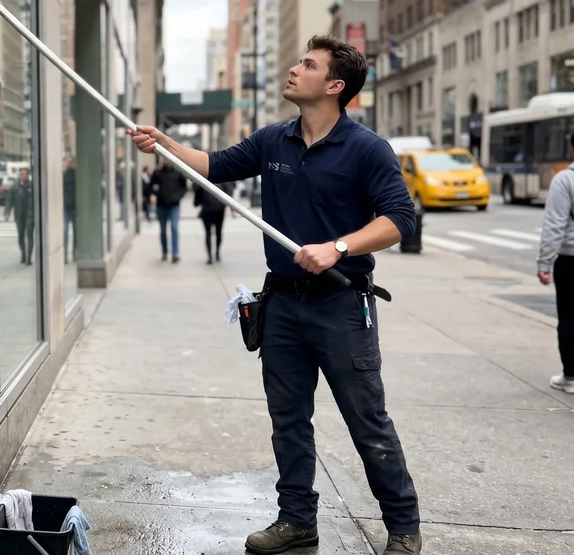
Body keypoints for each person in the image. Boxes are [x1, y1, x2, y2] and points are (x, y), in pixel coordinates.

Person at [128, 35, 422, 555]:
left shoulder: (366, 148)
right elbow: (214, 164)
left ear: (335, 86)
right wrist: (165, 144)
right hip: (282, 303)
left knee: (366, 419)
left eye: (307, 65)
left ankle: (403, 527)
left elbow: (400, 219)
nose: (293, 68)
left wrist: (338, 247)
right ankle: (296, 520)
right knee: (288, 418)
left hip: (341, 303)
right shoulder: (273, 140)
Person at [536, 133, 574, 394]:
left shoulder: (565, 180)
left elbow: (555, 225)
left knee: (570, 317)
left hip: (571, 259)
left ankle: (571, 376)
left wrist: (545, 262)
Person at [149, 157, 188, 262]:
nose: (165, 162)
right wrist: (153, 195)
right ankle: (165, 251)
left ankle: (175, 253)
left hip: (174, 205)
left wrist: (178, 196)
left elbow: (184, 187)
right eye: (164, 160)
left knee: (174, 228)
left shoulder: (178, 173)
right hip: (161, 205)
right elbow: (151, 187)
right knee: (163, 231)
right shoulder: (157, 173)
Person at [194, 180, 234, 264]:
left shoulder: (204, 179)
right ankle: (214, 254)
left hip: (211, 209)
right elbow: (229, 192)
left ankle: (212, 255)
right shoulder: (221, 178)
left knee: (211, 233)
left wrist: (197, 203)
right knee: (216, 232)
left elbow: (198, 193)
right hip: (215, 209)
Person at [5, 167, 35, 265]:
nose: (24, 176)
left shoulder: (32, 186)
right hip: (19, 214)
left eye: (25, 174)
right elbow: (9, 200)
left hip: (30, 215)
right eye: (22, 174)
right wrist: (7, 211)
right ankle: (23, 254)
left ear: (28, 175)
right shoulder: (14, 187)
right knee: (21, 235)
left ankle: (29, 258)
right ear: (19, 175)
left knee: (30, 235)